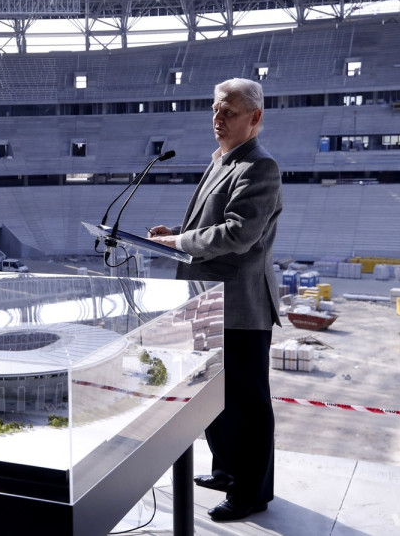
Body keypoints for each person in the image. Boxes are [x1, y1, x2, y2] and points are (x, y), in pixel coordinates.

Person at [148, 77, 282, 522]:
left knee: (246, 403)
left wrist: (178, 243)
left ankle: (252, 492)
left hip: (240, 304)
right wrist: (176, 234)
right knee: (214, 398)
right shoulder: (221, 160)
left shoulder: (259, 167)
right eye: (215, 110)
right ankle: (227, 470)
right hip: (207, 300)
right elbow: (208, 226)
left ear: (254, 117)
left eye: (228, 111)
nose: (217, 119)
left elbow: (239, 234)